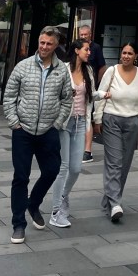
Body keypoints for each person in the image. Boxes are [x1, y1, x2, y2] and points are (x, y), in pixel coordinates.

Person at [3, 26, 72, 244]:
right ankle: (18, 224)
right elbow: (9, 96)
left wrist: (57, 124)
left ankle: (33, 204)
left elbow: (67, 100)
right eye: (42, 42)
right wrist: (14, 122)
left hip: (48, 130)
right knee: (21, 177)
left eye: (49, 44)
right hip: (23, 130)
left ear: (55, 46)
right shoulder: (23, 66)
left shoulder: (62, 71)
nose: (44, 47)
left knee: (52, 170)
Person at [49, 38, 109, 228]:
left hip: (81, 122)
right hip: (64, 123)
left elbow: (91, 94)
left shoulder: (88, 70)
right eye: (86, 49)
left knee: (75, 168)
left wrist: (104, 94)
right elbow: (54, 92)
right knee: (64, 167)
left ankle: (63, 196)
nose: (89, 52)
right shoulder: (63, 69)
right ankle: (56, 211)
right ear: (76, 51)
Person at [93, 40, 138, 222]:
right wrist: (97, 119)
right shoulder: (112, 71)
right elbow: (100, 95)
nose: (126, 56)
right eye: (124, 53)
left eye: (130, 53)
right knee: (115, 162)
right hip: (112, 120)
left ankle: (109, 200)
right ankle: (116, 202)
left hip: (132, 122)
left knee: (124, 163)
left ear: (136, 56)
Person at [79, 24, 106, 164]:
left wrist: (97, 82)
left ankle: (87, 151)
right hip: (77, 86)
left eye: (86, 34)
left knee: (88, 117)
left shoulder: (96, 48)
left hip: (90, 86)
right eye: (81, 34)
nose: (83, 36)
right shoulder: (76, 46)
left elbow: (102, 66)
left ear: (90, 34)